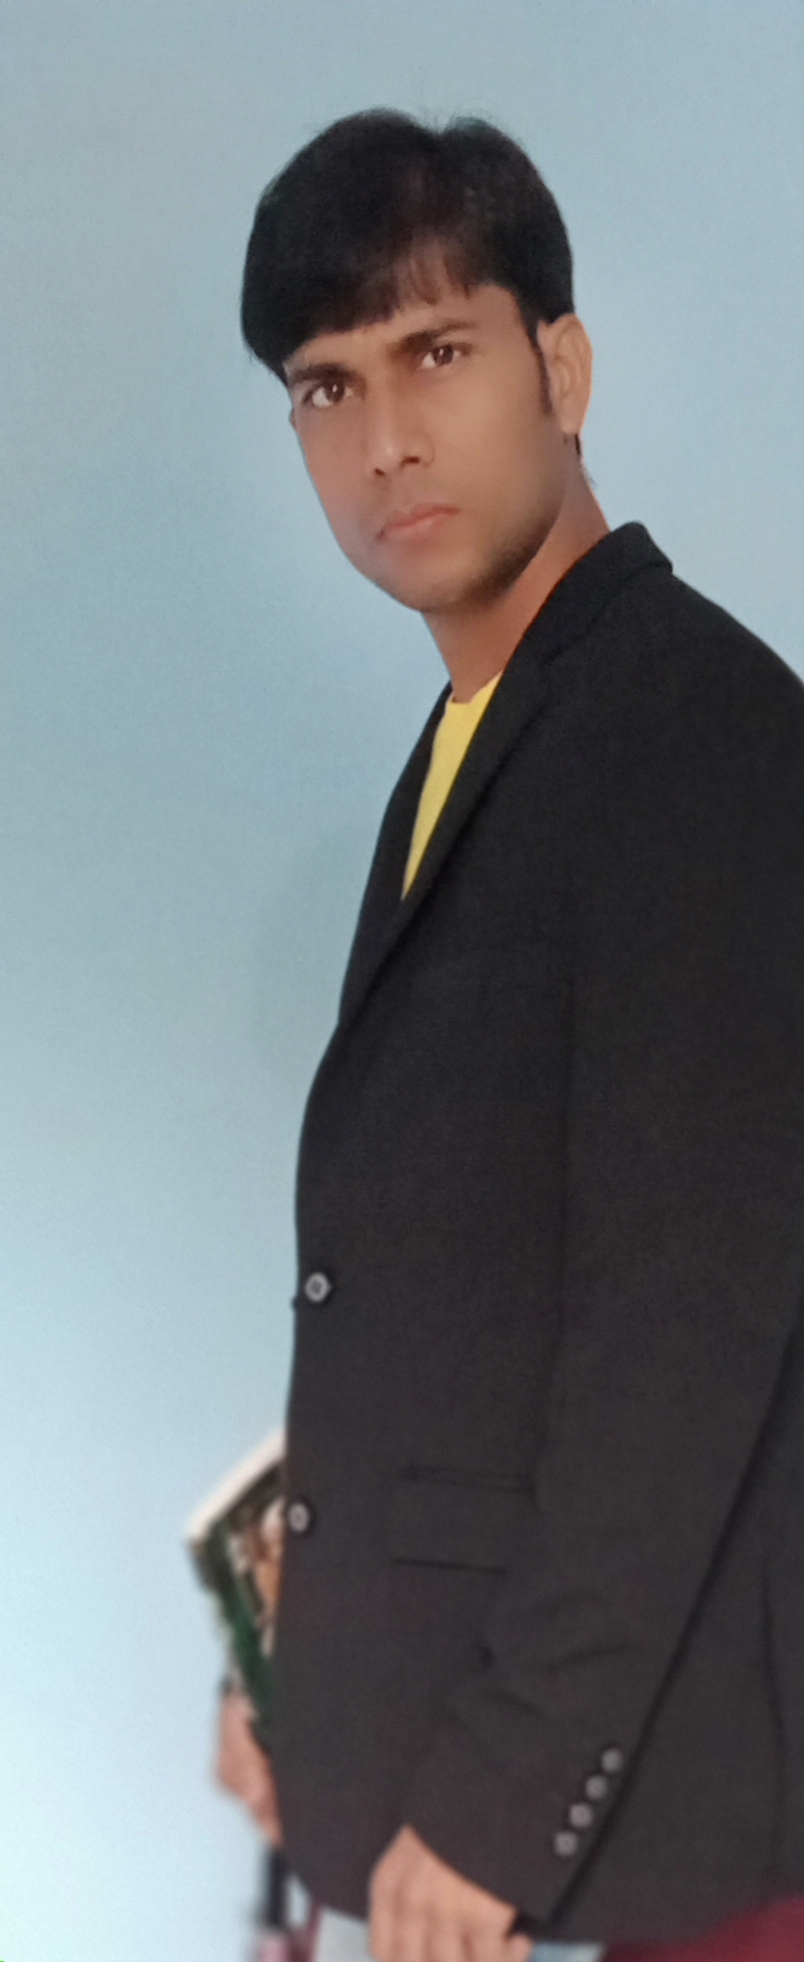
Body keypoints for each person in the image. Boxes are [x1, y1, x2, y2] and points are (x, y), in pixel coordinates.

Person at [216, 110, 804, 1962]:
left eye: (437, 352)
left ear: (564, 367)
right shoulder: (487, 732)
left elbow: (682, 1331)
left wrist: (494, 1794)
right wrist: (302, 1670)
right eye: (327, 385)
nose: (384, 438)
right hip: (527, 1797)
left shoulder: (704, 736)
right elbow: (461, 1297)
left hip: (690, 1843)